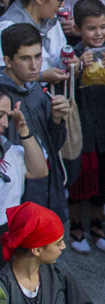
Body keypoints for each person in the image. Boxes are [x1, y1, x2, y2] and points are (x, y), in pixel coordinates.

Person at [65, 0, 105, 253]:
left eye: (102, 27)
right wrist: (78, 69)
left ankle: (97, 225)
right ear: (78, 29)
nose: (98, 33)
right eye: (91, 28)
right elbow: (66, 91)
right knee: (77, 182)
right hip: (82, 132)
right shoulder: (72, 54)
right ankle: (76, 226)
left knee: (101, 181)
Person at [0, 24, 71, 228]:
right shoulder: (2, 97)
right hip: (16, 193)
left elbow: (53, 146)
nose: (34, 66)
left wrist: (56, 119)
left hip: (45, 185)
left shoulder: (37, 90)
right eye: (25, 58)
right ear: (8, 61)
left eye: (38, 56)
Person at [0, 85, 49, 230]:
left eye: (7, 117)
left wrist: (23, 130)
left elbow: (39, 171)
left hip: (7, 230)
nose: (4, 123)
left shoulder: (10, 152)